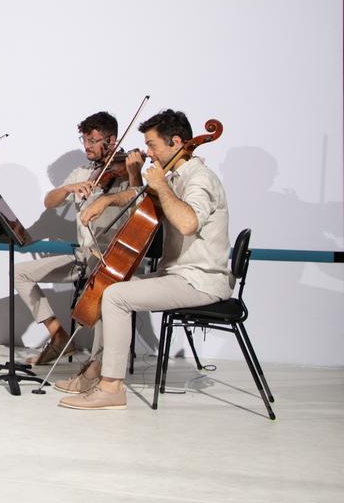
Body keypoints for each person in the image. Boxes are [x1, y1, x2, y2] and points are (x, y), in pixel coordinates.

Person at [54, 109, 232, 410]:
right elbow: (141, 196)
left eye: (152, 145)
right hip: (178, 274)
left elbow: (188, 223)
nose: (147, 153)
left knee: (116, 296)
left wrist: (162, 186)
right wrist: (108, 199)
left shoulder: (199, 179)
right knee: (113, 283)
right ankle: (97, 371)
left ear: (176, 142)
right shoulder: (175, 176)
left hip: (199, 280)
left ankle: (112, 388)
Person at [12, 112, 139, 365]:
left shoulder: (126, 170)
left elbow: (139, 202)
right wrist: (68, 188)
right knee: (19, 273)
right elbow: (49, 201)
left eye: (93, 140)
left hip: (112, 258)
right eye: (84, 139)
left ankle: (98, 366)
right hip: (84, 256)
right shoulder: (83, 172)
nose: (87, 147)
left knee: (105, 297)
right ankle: (58, 335)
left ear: (111, 140)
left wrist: (135, 171)